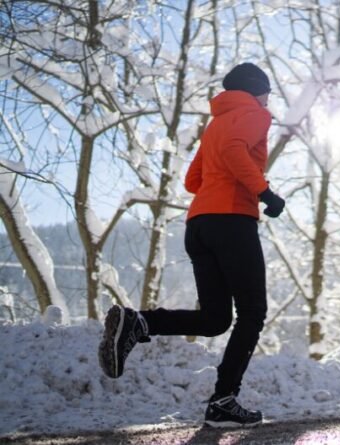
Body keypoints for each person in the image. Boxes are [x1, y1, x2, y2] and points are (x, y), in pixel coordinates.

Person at [98, 62, 285, 428]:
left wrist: (222, 187)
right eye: (266, 91)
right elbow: (234, 152)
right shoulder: (255, 114)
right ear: (255, 89)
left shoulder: (217, 123)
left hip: (199, 224)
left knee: (216, 319)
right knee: (252, 313)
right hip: (232, 222)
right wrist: (265, 193)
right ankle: (223, 401)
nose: (268, 99)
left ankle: (139, 322)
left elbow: (193, 180)